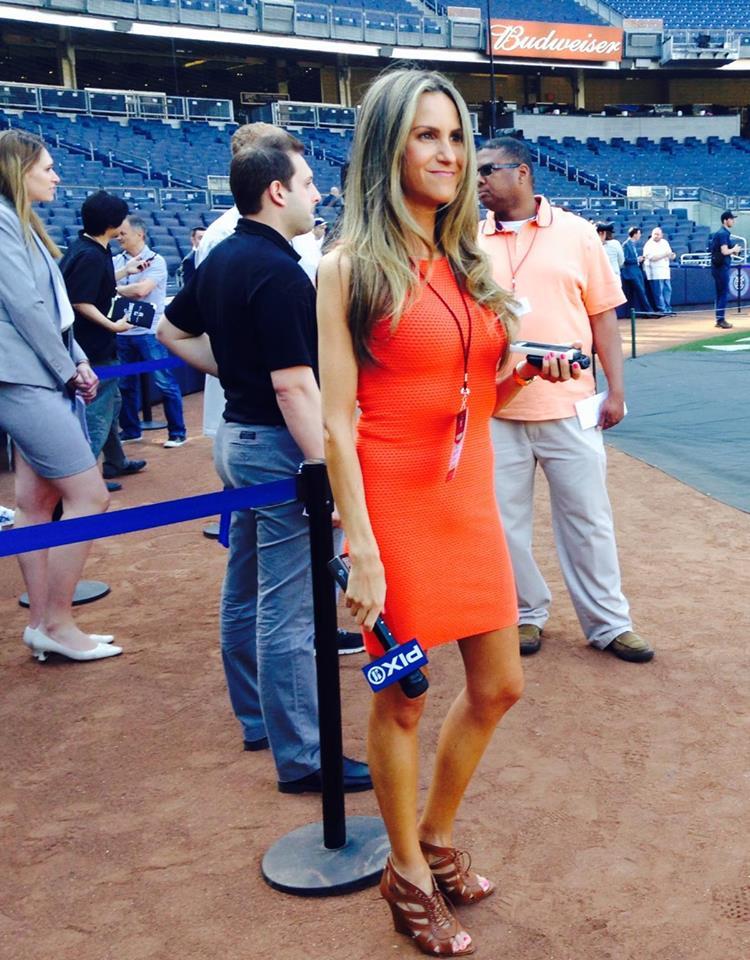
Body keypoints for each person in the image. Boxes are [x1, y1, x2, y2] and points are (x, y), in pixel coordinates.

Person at [317, 70, 580, 957]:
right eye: (427, 135)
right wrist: (360, 545)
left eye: (458, 137)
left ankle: (430, 839)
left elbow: (471, 394)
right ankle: (406, 874)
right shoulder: (349, 268)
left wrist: (523, 370)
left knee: (500, 684)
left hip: (465, 504)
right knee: (402, 699)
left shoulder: (470, 260)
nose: (450, 154)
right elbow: (337, 423)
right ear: (387, 145)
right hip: (392, 508)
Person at [158, 135, 371, 794]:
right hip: (278, 447)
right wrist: (328, 472)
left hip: (239, 440)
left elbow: (170, 330)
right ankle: (304, 756)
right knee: (289, 608)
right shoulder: (277, 270)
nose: (317, 193)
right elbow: (294, 386)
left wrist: (234, 370)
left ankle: (258, 719)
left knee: (245, 585)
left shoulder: (224, 253)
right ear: (277, 191)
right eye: (307, 183)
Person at [476, 135, 653, 665]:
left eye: (488, 170)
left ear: (522, 172)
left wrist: (615, 389)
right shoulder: (466, 238)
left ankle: (609, 623)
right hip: (496, 406)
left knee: (588, 519)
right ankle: (524, 612)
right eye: (474, 173)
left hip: (571, 403)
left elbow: (603, 316)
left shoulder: (577, 233)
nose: (477, 180)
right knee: (502, 524)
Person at [0, 130, 121, 662]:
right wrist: (69, 369)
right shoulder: (3, 221)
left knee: (36, 503)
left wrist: (77, 361)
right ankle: (57, 622)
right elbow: (26, 309)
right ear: (17, 170)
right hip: (24, 380)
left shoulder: (20, 221)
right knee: (90, 496)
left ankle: (41, 625)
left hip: (35, 375)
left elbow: (49, 310)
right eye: (47, 168)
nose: (56, 176)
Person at [60, 191, 143, 462]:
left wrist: (125, 271)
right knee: (97, 415)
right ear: (111, 224)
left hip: (90, 346)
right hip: (93, 348)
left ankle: (117, 461)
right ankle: (84, 474)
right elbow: (81, 301)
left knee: (112, 403)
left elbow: (96, 283)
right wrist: (113, 326)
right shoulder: (91, 255)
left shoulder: (89, 248)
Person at [113, 214, 187, 447]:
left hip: (149, 332)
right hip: (122, 332)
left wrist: (114, 287)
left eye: (123, 233)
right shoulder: (116, 261)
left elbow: (141, 291)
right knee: (125, 385)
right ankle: (131, 430)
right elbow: (104, 286)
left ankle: (177, 432)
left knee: (165, 382)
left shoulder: (156, 261)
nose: (118, 237)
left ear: (139, 234)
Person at [711, 209, 741, 330]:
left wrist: (733, 250)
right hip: (721, 267)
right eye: (731, 219)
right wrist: (734, 249)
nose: (733, 221)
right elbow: (724, 251)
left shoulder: (722, 233)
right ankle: (720, 319)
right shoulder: (723, 233)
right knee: (723, 293)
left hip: (718, 267)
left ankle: (719, 318)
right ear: (725, 220)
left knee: (720, 293)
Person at [621, 226, 654, 315]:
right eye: (639, 234)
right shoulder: (626, 244)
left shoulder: (631, 244)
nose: (640, 235)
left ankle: (644, 312)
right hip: (631, 272)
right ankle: (649, 312)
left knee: (640, 292)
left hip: (635, 270)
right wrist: (637, 260)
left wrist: (639, 259)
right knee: (641, 292)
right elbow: (625, 259)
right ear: (635, 234)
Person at [642, 226, 676, 314]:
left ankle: (668, 308)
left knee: (667, 290)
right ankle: (662, 309)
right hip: (655, 272)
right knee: (658, 292)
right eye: (655, 234)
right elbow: (652, 258)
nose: (656, 236)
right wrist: (665, 254)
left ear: (662, 235)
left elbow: (669, 254)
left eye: (658, 234)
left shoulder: (665, 242)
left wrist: (672, 255)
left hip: (665, 271)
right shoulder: (648, 244)